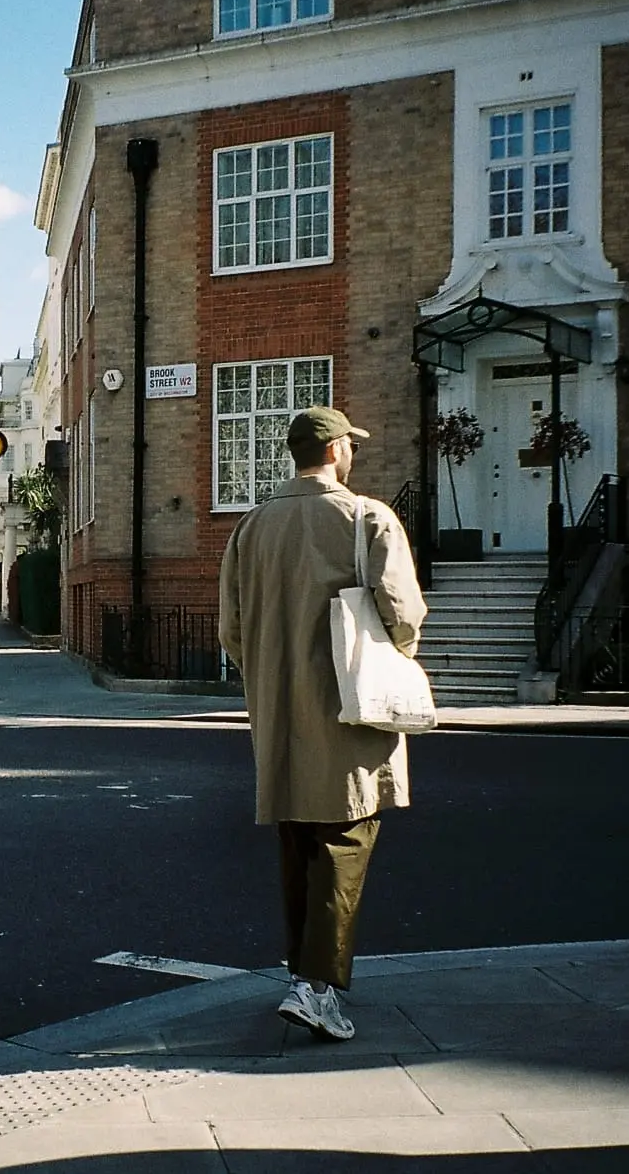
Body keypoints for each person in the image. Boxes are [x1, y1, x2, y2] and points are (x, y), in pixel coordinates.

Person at [217, 406, 427, 1041]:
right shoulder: (368, 519)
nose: (353, 455)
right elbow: (403, 615)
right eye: (350, 446)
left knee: (300, 843)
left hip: (279, 712)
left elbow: (231, 631)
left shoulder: (250, 528)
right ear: (336, 450)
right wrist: (401, 651)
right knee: (345, 840)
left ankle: (302, 976)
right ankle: (317, 988)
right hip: (348, 708)